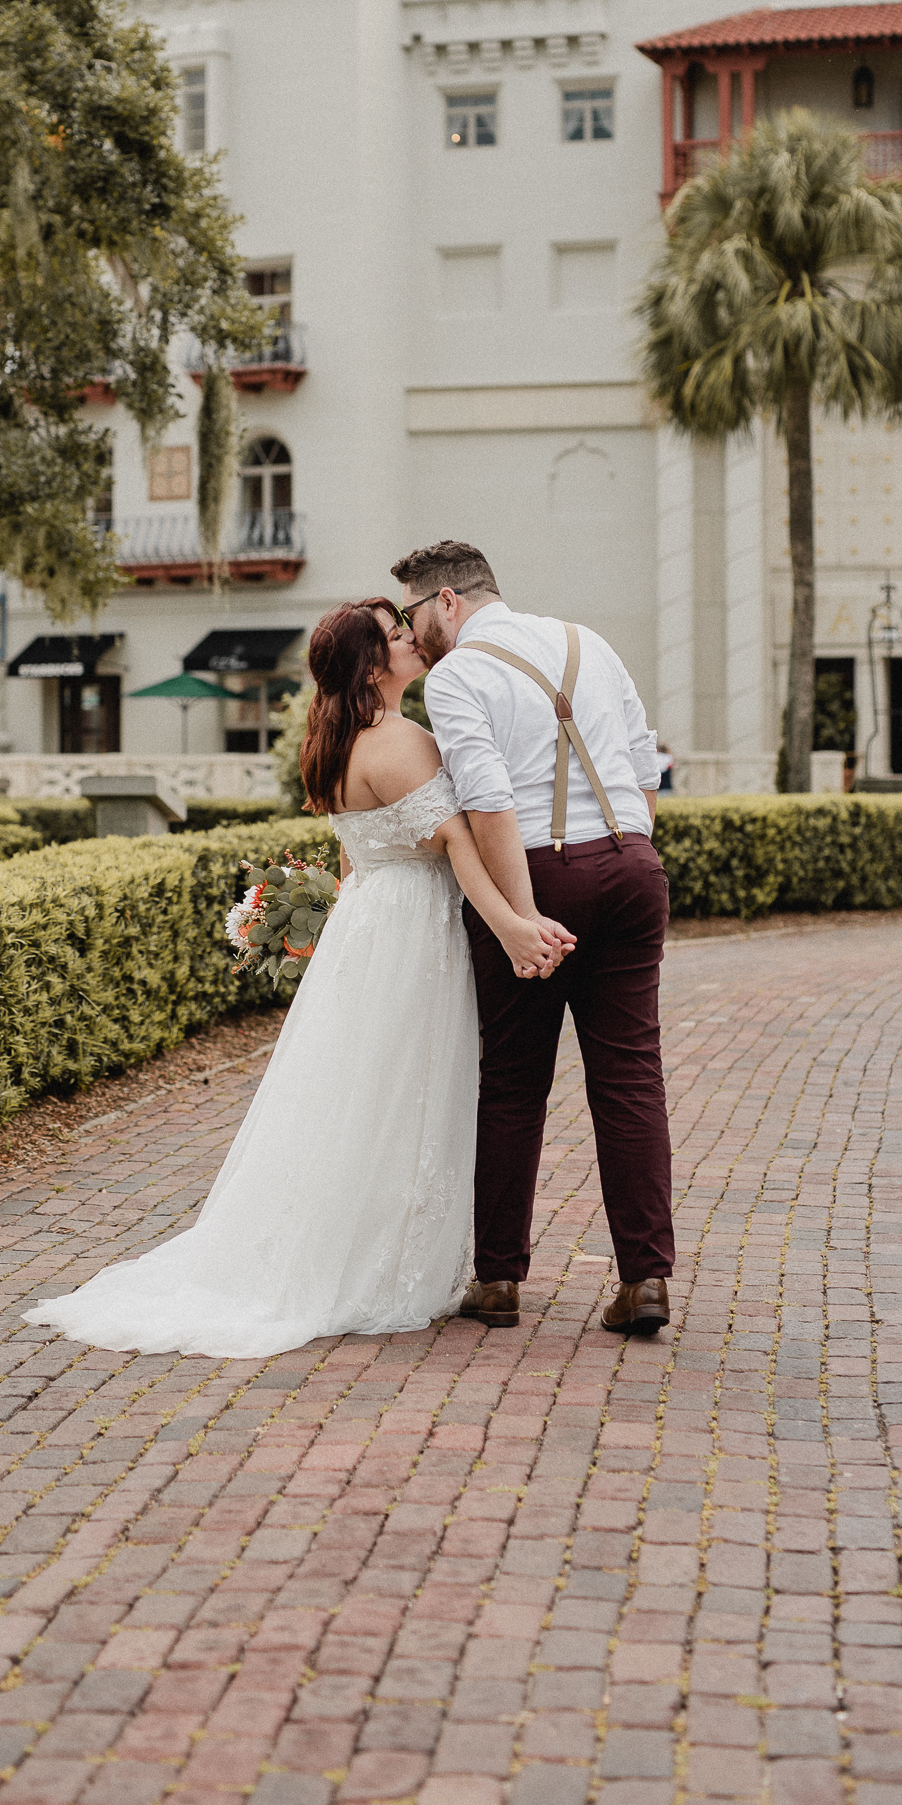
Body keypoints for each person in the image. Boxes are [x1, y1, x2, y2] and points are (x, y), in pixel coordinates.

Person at [23, 598, 574, 1360]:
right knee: (405, 1092)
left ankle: (356, 1236)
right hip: (412, 930)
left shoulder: (337, 744)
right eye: (393, 636)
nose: (411, 639)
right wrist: (515, 925)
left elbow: (356, 857)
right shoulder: (403, 740)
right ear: (371, 666)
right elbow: (456, 847)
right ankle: (380, 1259)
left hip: (369, 923)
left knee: (362, 1093)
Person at [391, 539, 675, 1338]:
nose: (414, 637)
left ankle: (500, 1280)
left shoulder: (457, 677)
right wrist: (625, 850)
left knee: (513, 1082)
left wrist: (523, 926)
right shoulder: (589, 642)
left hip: (538, 874)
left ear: (448, 601)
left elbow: (489, 804)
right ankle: (646, 1279)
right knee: (630, 1077)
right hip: (630, 865)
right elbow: (645, 768)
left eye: (416, 615)